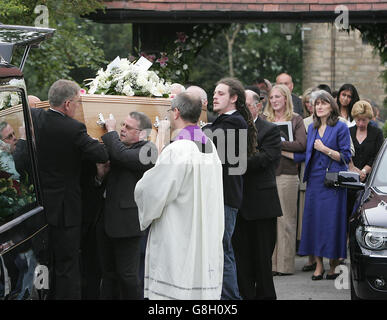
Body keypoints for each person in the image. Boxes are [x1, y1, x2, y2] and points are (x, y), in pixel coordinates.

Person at [134, 92, 224, 300]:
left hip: (178, 232)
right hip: (204, 229)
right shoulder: (210, 148)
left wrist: (139, 189)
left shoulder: (179, 149)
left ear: (176, 112)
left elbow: (152, 190)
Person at [30, 79, 109, 299]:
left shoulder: (37, 119)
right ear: (67, 104)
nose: (78, 107)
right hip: (66, 211)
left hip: (41, 206)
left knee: (44, 262)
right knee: (68, 264)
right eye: (77, 102)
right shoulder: (74, 128)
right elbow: (101, 155)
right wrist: (108, 133)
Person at [203, 77, 257, 300]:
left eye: (221, 93)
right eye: (214, 93)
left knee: (222, 252)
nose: (215, 96)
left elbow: (207, 143)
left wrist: (188, 130)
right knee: (219, 251)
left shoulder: (234, 122)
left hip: (225, 197)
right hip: (220, 196)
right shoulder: (223, 121)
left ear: (234, 98)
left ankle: (231, 299)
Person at [96, 111, 156, 300]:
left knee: (128, 276)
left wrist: (111, 131)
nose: (122, 129)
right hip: (107, 220)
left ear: (142, 133)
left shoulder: (149, 150)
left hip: (128, 225)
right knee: (108, 275)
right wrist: (100, 176)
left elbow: (123, 157)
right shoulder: (119, 148)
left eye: (128, 127)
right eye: (122, 125)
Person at [293, 90, 352, 280]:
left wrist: (325, 149)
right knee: (315, 223)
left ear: (331, 106)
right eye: (316, 104)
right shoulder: (311, 128)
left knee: (332, 223)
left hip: (333, 182)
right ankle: (318, 264)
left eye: (323, 103)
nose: (318, 107)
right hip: (315, 182)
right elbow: (306, 155)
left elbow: (346, 156)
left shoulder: (340, 127)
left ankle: (333, 264)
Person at [232, 89, 282, 300]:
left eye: (246, 103)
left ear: (257, 105)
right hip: (238, 205)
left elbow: (264, 159)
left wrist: (233, 161)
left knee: (262, 264)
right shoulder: (233, 127)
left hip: (262, 207)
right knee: (241, 264)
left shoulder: (270, 130)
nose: (242, 108)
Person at [263, 84, 306, 276]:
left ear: (286, 98)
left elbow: (301, 145)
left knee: (286, 220)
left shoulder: (296, 120)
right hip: (267, 174)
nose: (274, 101)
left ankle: (285, 265)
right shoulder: (265, 119)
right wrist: (282, 148)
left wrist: (278, 144)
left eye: (278, 97)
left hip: (287, 175)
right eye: (271, 98)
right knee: (270, 220)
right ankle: (271, 265)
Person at [348, 100, 384, 218]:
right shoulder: (349, 132)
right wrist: (353, 170)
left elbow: (377, 156)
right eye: (358, 120)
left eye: (364, 120)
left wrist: (364, 171)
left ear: (369, 118)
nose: (361, 123)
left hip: (369, 180)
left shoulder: (377, 133)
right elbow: (346, 152)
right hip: (350, 179)